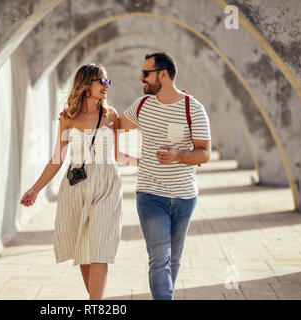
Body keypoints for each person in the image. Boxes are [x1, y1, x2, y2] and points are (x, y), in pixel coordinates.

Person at [20, 63, 137, 300]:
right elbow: (57, 159)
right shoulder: (68, 118)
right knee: (83, 249)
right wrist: (35, 189)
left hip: (107, 184)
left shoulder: (110, 115)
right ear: (86, 86)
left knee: (100, 249)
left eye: (107, 82)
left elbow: (118, 155)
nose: (106, 86)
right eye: (101, 81)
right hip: (76, 186)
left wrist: (146, 162)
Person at [119, 52, 211, 300]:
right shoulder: (141, 106)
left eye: (146, 73)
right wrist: (79, 114)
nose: (141, 78)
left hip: (184, 197)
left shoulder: (194, 109)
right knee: (159, 258)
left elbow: (204, 153)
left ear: (164, 74)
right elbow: (114, 126)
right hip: (150, 195)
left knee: (174, 258)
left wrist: (179, 155)